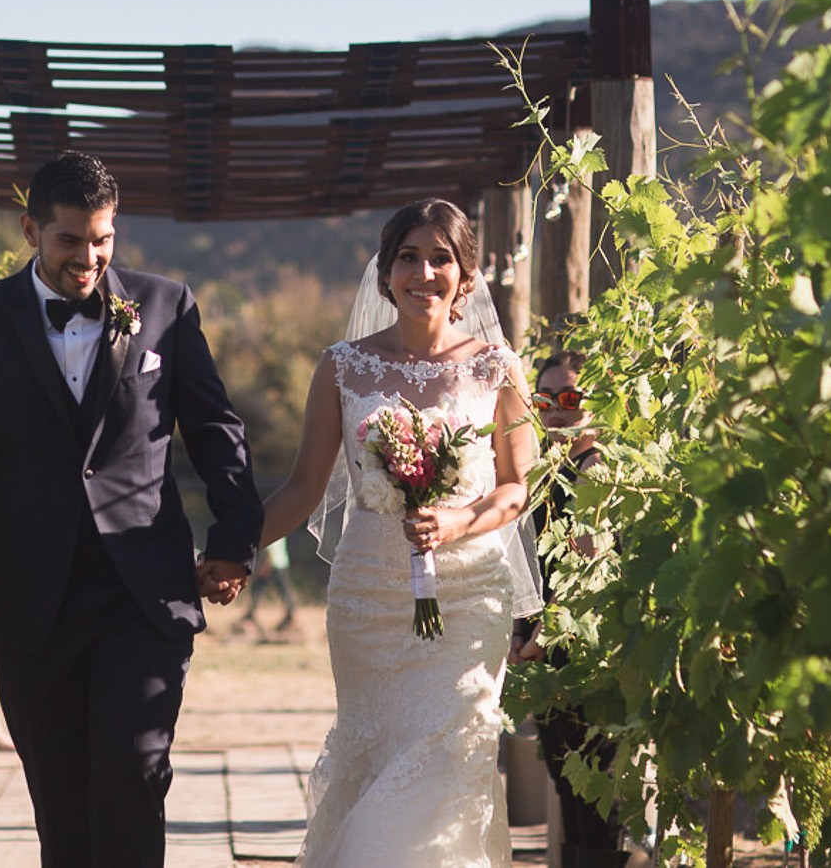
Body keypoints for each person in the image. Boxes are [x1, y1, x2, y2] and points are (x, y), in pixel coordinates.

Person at [0, 151, 264, 868]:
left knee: (134, 771)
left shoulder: (166, 306)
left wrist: (235, 538)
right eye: (69, 240)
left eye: (102, 239)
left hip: (143, 592)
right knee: (62, 801)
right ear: (31, 231)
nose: (88, 258)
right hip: (28, 598)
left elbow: (214, 428)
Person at [257, 198, 541, 867]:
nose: (424, 272)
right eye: (408, 257)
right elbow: (302, 488)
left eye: (441, 258)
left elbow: (515, 487)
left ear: (465, 275)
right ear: (385, 273)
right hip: (368, 600)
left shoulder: (497, 367)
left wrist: (459, 520)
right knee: (375, 761)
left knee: (450, 759)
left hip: (470, 598)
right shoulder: (342, 367)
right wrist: (228, 548)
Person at [510, 350, 641, 868]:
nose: (558, 411)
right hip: (548, 653)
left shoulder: (596, 469)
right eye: (546, 400)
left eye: (570, 398)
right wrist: (520, 634)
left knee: (596, 796)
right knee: (570, 790)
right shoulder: (550, 473)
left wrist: (538, 638)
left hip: (588, 657)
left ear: (597, 403)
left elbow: (585, 571)